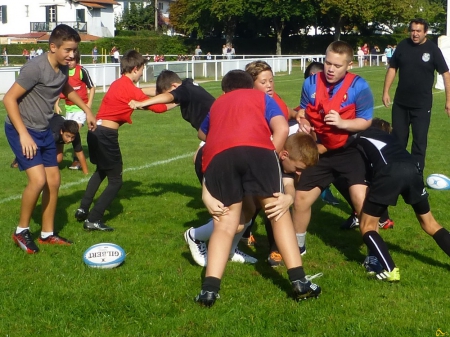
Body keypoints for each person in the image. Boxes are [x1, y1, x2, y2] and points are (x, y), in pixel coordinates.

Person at [195, 70, 322, 307]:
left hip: (220, 156)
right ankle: (299, 281)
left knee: (226, 222)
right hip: (258, 151)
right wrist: (266, 156)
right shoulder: (262, 98)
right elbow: (282, 127)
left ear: (225, 90)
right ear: (251, 86)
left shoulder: (218, 103)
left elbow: (202, 133)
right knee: (277, 211)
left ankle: (209, 290)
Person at [3, 24, 96, 254]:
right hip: (21, 129)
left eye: (74, 50)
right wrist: (24, 134)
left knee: (53, 181)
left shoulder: (63, 68)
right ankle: (21, 231)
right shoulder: (35, 68)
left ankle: (47, 234)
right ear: (52, 47)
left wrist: (87, 109)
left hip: (43, 129)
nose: (72, 55)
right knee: (38, 181)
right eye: (67, 50)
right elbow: (8, 99)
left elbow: (66, 88)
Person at [293, 41, 373, 257]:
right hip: (321, 151)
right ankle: (297, 246)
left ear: (349, 65)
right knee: (301, 198)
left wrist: (342, 123)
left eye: (337, 65)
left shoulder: (360, 86)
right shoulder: (310, 83)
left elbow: (365, 121)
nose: (330, 69)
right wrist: (304, 120)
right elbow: (303, 110)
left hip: (350, 151)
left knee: (361, 200)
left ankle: (373, 252)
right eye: (328, 63)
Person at [74, 50, 169, 231]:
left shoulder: (120, 83)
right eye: (141, 70)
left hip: (95, 132)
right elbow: (158, 108)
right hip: (106, 136)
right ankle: (93, 219)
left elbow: (140, 92)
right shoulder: (128, 87)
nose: (142, 73)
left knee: (101, 171)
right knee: (116, 181)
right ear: (135, 69)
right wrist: (177, 100)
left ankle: (82, 208)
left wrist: (165, 91)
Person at [355, 118, 450, 282]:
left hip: (390, 172)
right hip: (413, 169)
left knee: (366, 226)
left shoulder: (362, 137)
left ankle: (390, 269)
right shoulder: (391, 139)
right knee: (430, 224)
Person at [382, 18, 450, 172]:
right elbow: (392, 68)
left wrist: (448, 100)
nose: (415, 34)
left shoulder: (432, 49)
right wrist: (386, 91)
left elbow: (446, 74)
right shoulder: (402, 46)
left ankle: (416, 174)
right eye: (412, 30)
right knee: (398, 140)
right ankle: (396, 172)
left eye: (418, 31)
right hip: (400, 104)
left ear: (425, 32)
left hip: (421, 105)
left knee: (419, 142)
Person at [128, 69, 215, 131]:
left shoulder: (184, 90)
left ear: (174, 86)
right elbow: (161, 99)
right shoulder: (187, 86)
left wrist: (141, 103)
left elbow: (169, 97)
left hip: (216, 128)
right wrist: (136, 91)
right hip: (215, 127)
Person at [54, 49, 95, 171]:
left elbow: (92, 87)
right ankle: (57, 157)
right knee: (66, 132)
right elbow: (60, 90)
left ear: (77, 60)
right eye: (69, 60)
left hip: (80, 108)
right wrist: (57, 104)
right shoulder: (63, 72)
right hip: (69, 108)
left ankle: (77, 160)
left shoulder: (81, 71)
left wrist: (89, 104)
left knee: (74, 130)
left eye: (72, 60)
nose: (70, 62)